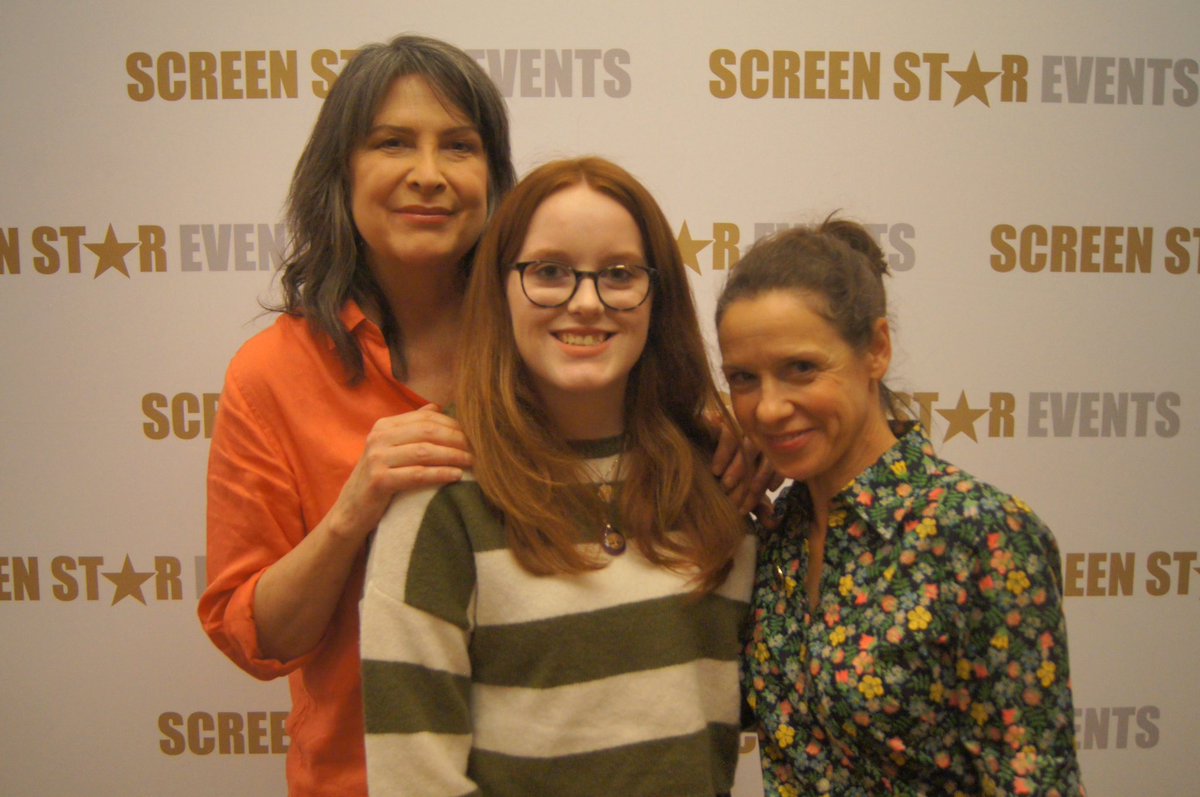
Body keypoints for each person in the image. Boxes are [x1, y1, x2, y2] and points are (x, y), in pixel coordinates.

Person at [359, 157, 757, 796]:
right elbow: (414, 779)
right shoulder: (442, 488)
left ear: (659, 294)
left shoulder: (716, 476)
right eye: (549, 272)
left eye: (621, 275)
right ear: (500, 289)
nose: (586, 303)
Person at [198, 35, 517, 797]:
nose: (429, 175)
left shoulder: (544, 343)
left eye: (460, 147)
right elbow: (260, 638)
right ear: (340, 172)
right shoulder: (271, 374)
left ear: (494, 179)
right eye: (393, 143)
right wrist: (352, 511)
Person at [716, 218, 1085, 796]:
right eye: (744, 378)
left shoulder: (983, 536)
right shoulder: (778, 532)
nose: (768, 409)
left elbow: (1034, 783)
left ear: (877, 351)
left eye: (801, 369)